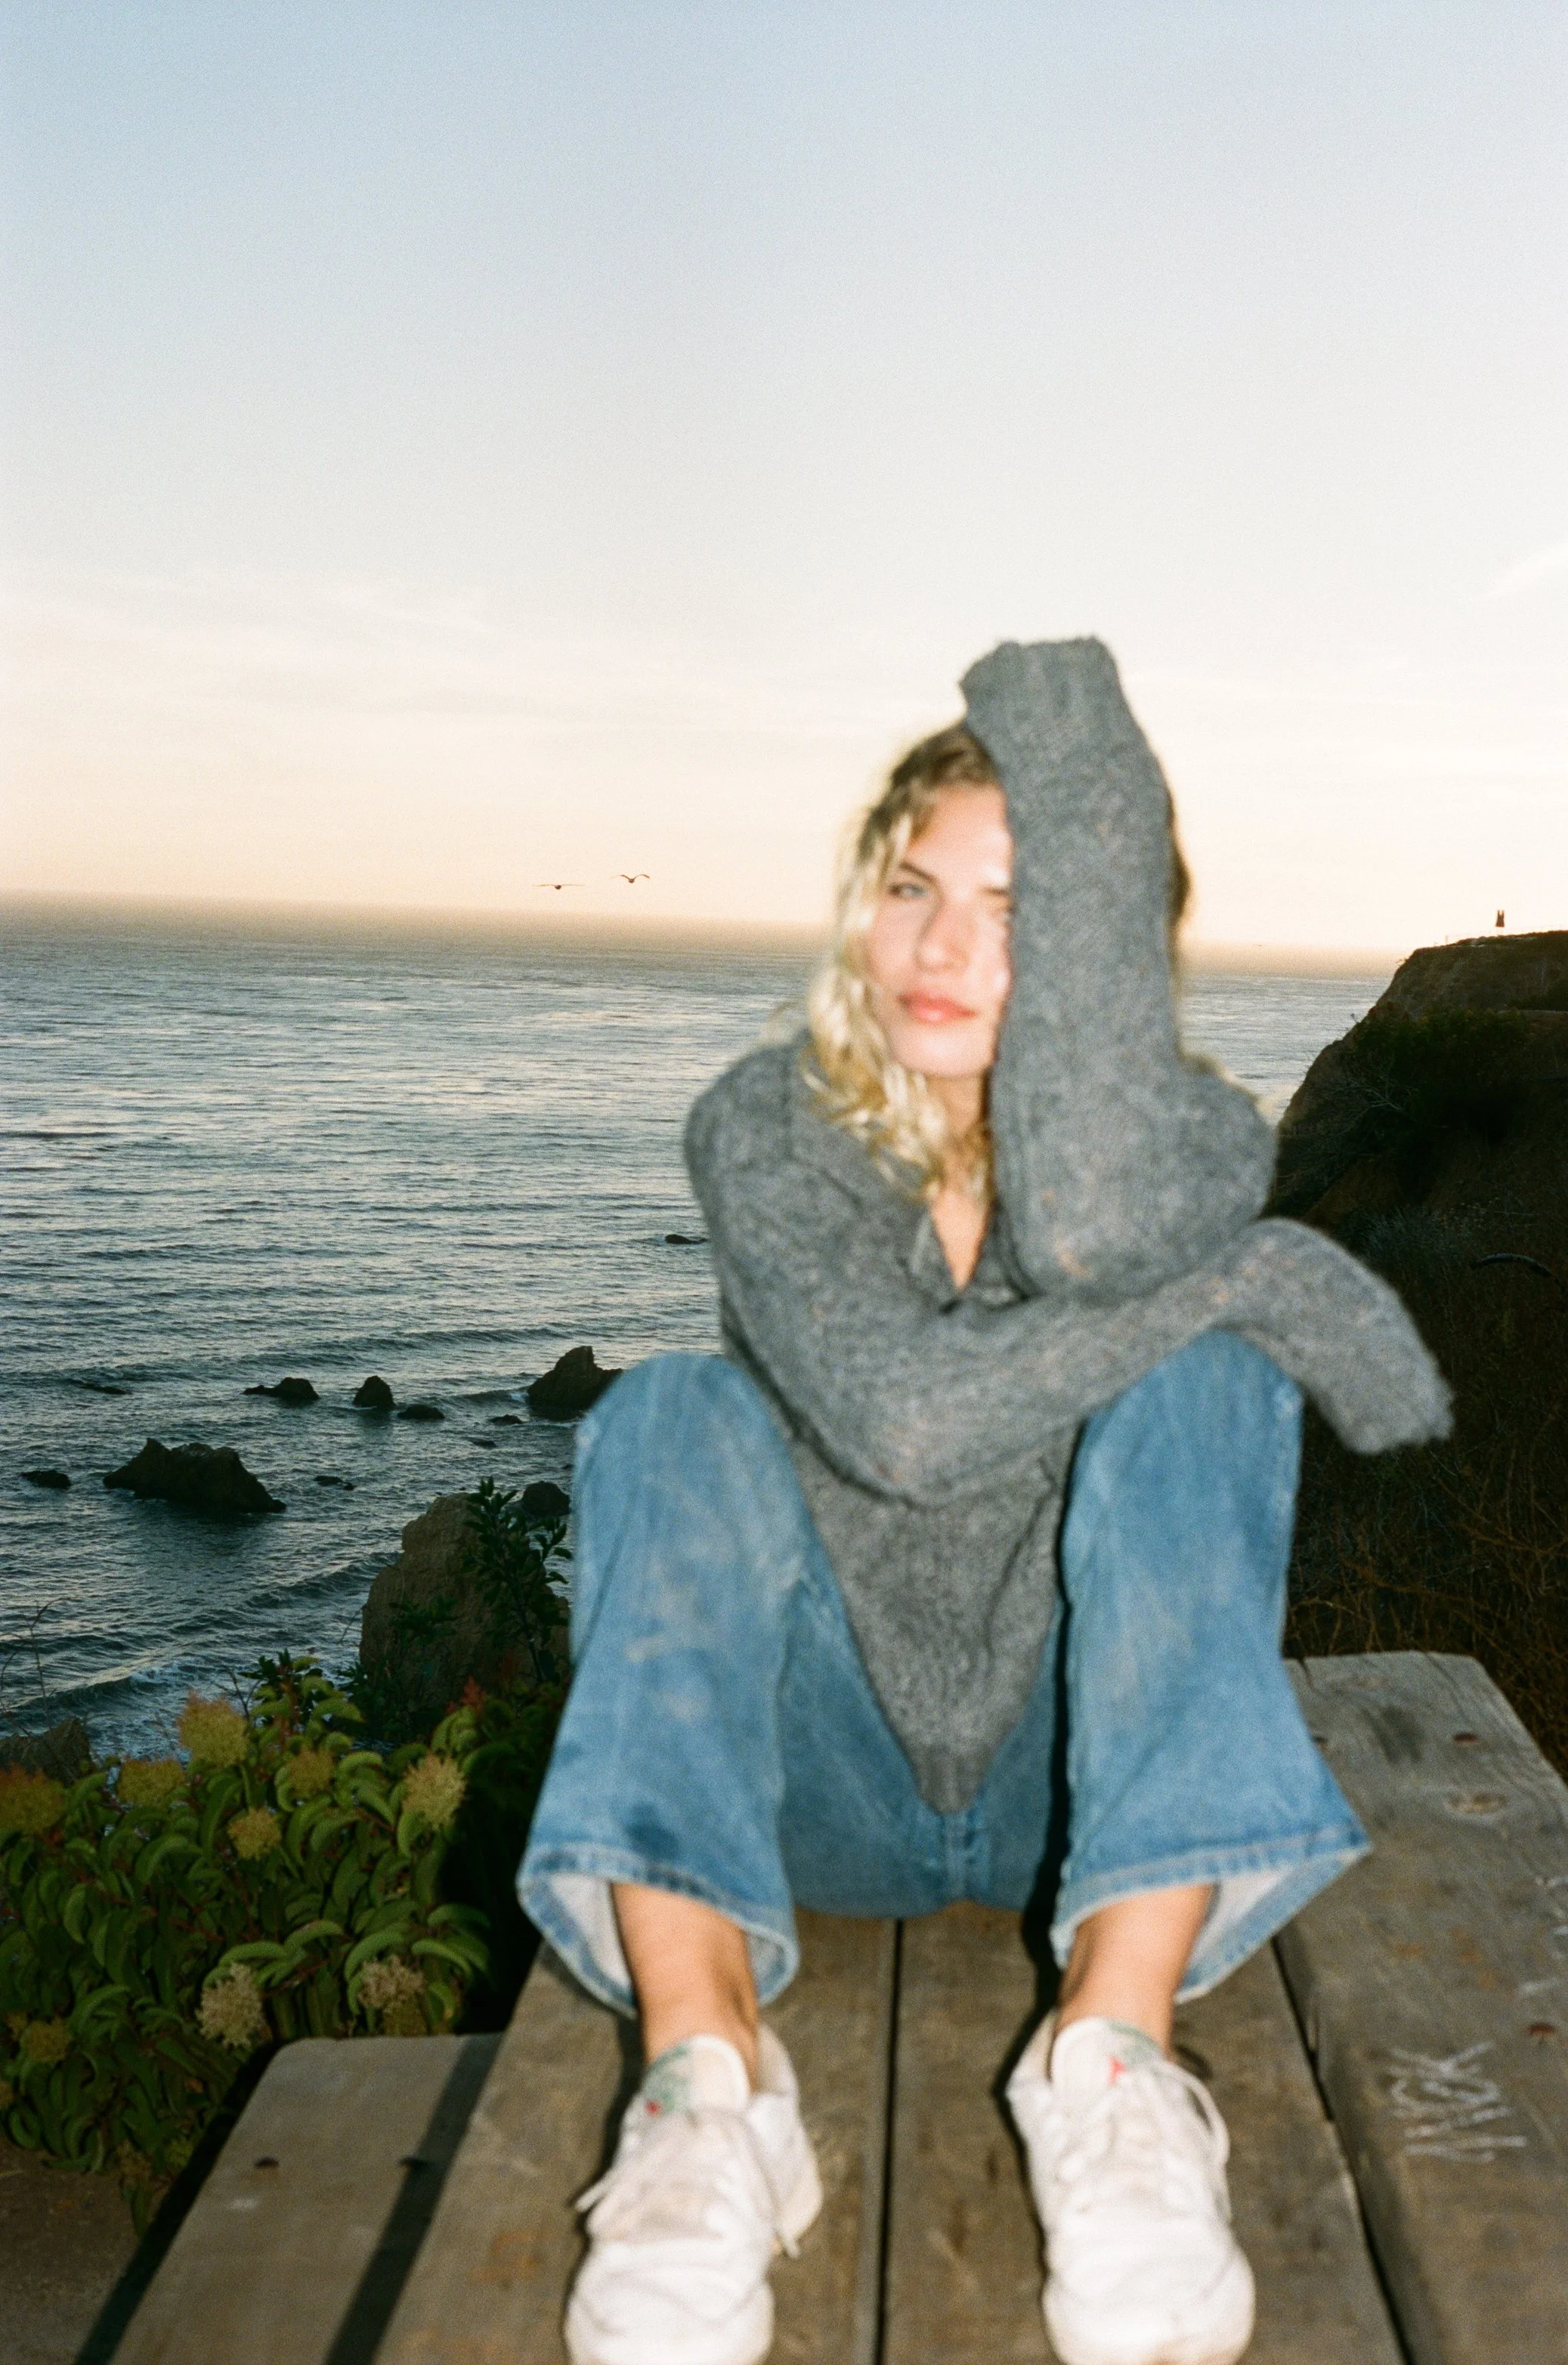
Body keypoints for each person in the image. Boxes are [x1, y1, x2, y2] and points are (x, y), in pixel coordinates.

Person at [519, 639, 1448, 2365]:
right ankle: (707, 2088)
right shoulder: (766, 1131)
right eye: (912, 887)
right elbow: (900, 1425)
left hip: (1089, 1815)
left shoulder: (1187, 1143)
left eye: (1018, 909)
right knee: (668, 1413)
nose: (943, 948)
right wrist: (1244, 1280)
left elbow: (1148, 1291)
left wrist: (1199, 1292)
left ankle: (1107, 2063)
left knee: (1209, 1380)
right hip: (812, 1793)